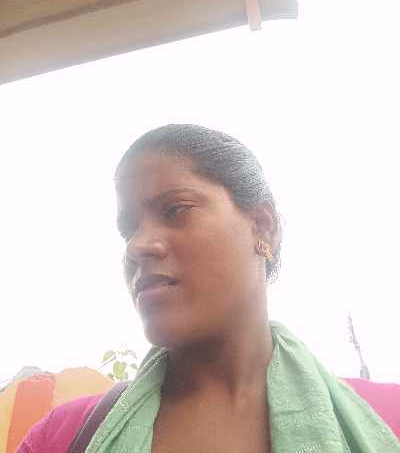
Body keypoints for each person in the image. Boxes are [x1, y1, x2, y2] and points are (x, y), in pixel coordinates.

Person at [17, 124, 400, 452]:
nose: (137, 245)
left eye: (175, 210)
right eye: (128, 229)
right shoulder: (61, 437)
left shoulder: (386, 421)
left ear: (263, 226)